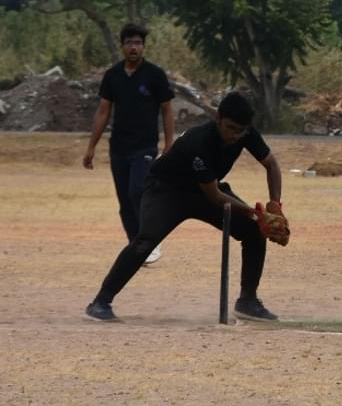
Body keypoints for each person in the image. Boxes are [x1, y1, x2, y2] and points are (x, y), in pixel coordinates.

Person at [84, 92, 283, 322]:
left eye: (241, 130)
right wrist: (256, 214)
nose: (235, 135)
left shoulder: (245, 133)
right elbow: (215, 196)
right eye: (231, 128)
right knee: (145, 241)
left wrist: (275, 206)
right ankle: (100, 302)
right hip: (167, 191)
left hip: (206, 189)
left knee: (253, 231)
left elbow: (271, 164)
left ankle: (248, 301)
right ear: (218, 118)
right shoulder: (198, 142)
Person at [82, 23, 175, 266]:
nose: (134, 47)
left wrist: (169, 144)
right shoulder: (112, 76)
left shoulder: (155, 75)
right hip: (119, 147)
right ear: (122, 46)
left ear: (143, 47)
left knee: (138, 191)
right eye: (129, 43)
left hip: (144, 147)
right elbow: (103, 111)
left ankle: (151, 239)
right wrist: (91, 146)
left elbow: (166, 110)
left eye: (138, 43)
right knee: (124, 200)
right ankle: (137, 245)